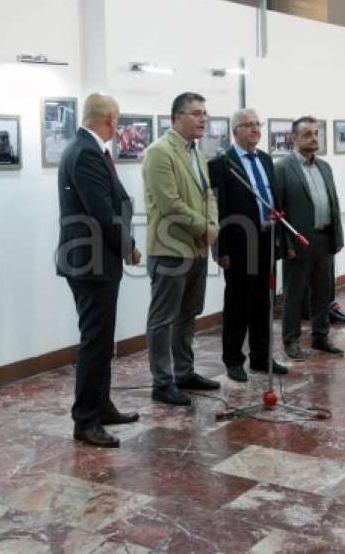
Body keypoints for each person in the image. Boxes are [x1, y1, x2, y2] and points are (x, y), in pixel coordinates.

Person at [56, 92, 141, 448]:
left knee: (103, 338)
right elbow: (102, 212)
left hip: (94, 260)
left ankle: (101, 405)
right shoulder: (87, 152)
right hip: (92, 262)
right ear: (108, 120)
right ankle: (86, 420)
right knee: (95, 340)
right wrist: (129, 247)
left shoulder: (83, 148)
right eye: (117, 120)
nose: (117, 127)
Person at [142, 92, 220, 405]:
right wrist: (205, 227)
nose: (203, 119)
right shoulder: (160, 152)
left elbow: (208, 195)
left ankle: (184, 373)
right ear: (177, 118)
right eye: (196, 113)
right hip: (169, 249)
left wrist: (211, 225)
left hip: (197, 247)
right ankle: (162, 382)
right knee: (163, 318)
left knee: (188, 314)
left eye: (205, 113)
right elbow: (170, 204)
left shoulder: (197, 153)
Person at [208, 109, 289, 382]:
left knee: (264, 303)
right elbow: (216, 210)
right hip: (240, 244)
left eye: (258, 124)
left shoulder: (266, 159)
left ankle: (261, 357)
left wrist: (282, 240)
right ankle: (233, 359)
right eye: (249, 125)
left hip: (267, 241)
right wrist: (220, 249)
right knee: (238, 304)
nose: (255, 129)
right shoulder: (222, 164)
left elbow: (275, 201)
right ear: (235, 132)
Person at [275, 116, 344, 361]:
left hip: (324, 238)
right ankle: (291, 341)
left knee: (323, 291)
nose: (314, 138)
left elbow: (333, 202)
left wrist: (337, 237)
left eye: (316, 133)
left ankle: (320, 336)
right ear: (294, 138)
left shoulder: (325, 167)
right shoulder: (282, 168)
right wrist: (286, 245)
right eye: (307, 134)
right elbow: (278, 211)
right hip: (299, 242)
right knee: (294, 294)